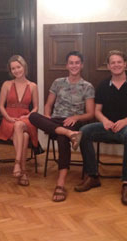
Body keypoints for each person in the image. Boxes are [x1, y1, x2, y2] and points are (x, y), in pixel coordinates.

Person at [76, 50, 127, 206]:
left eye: (119, 62)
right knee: (84, 132)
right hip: (107, 126)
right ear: (108, 66)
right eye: (113, 62)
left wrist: (126, 121)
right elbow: (97, 110)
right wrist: (105, 121)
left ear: (125, 64)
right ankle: (93, 175)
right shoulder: (103, 85)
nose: (116, 65)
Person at [29, 51, 95, 202]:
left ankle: (60, 183)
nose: (74, 65)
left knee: (61, 136)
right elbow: (48, 105)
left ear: (82, 65)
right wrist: (46, 117)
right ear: (66, 65)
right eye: (71, 63)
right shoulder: (58, 82)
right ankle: (69, 134)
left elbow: (91, 114)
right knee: (32, 116)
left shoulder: (87, 86)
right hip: (55, 120)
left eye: (77, 62)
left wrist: (76, 117)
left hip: (73, 121)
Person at [0, 55, 39, 186]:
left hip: (25, 119)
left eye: (18, 67)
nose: (16, 70)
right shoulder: (7, 84)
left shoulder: (32, 86)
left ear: (24, 67)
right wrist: (8, 117)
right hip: (9, 119)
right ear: (10, 71)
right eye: (13, 68)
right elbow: (0, 106)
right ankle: (23, 170)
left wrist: (27, 116)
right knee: (24, 137)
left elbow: (36, 107)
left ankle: (16, 163)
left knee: (20, 125)